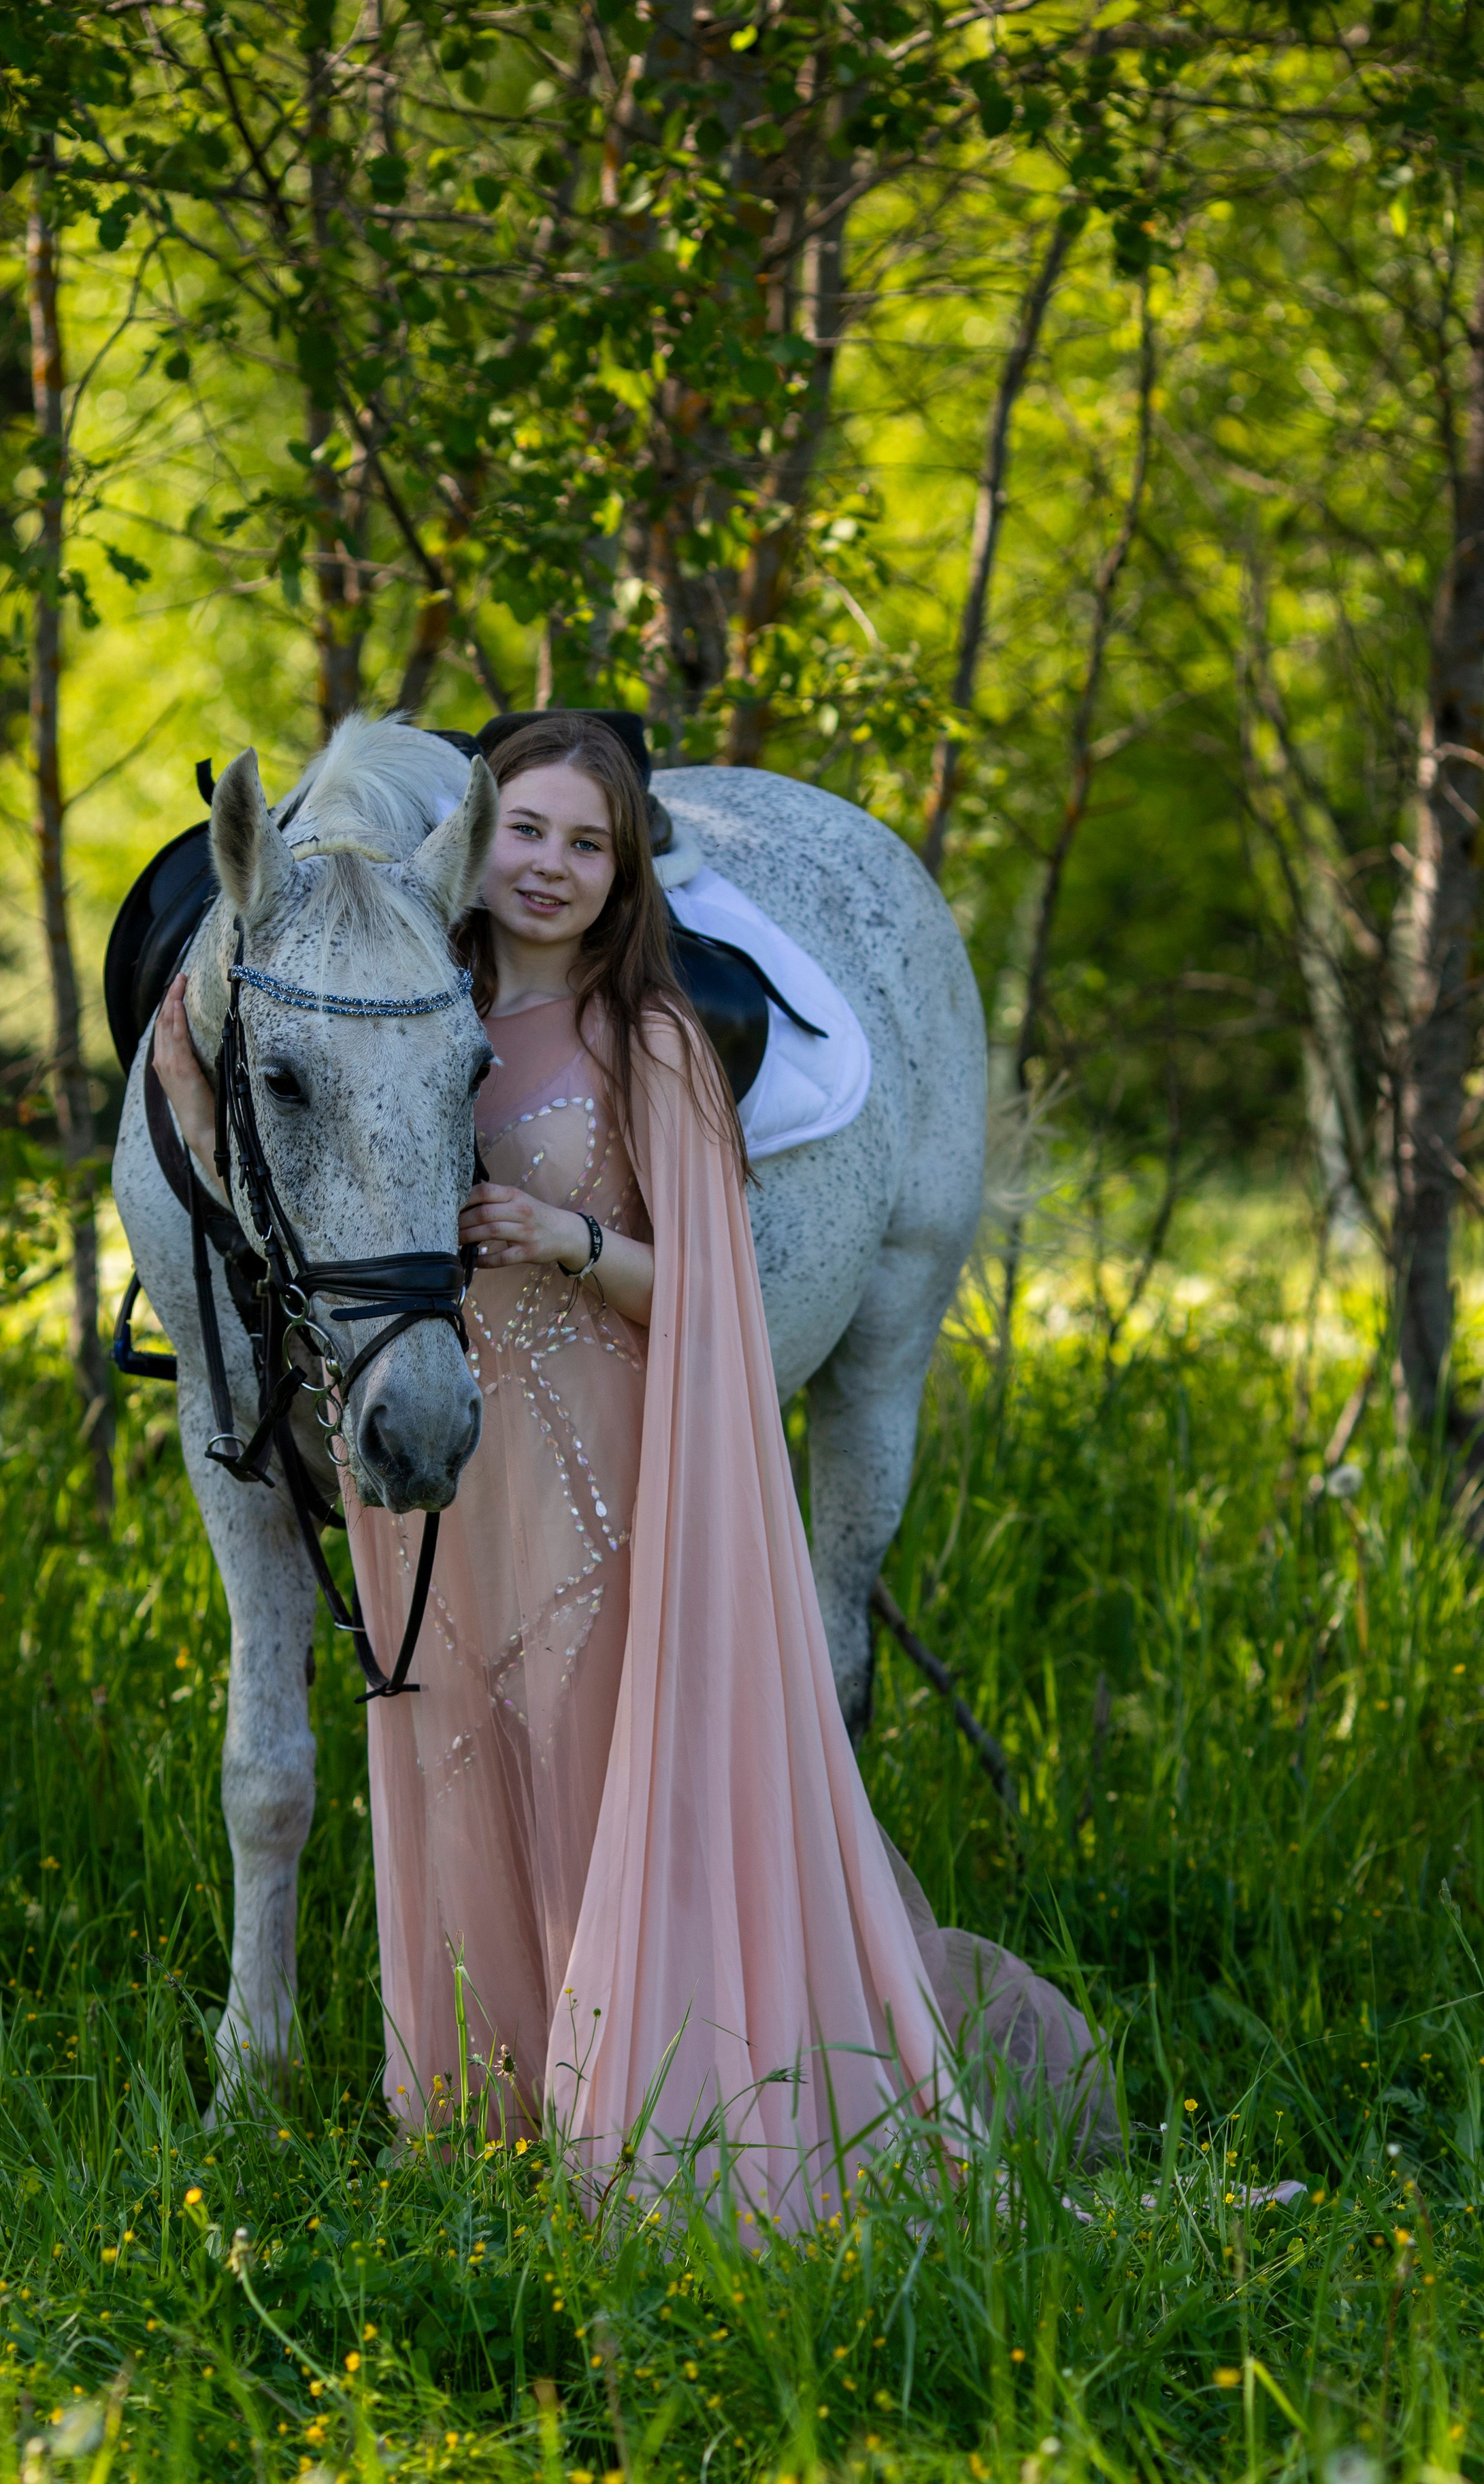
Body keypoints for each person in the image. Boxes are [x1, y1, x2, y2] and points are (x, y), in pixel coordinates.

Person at [156, 713, 1112, 2227]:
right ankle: (484, 2116)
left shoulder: (654, 1037)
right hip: (456, 1471)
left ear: (626, 869)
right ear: (479, 851)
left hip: (593, 1460)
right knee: (463, 1762)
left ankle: (650, 2115)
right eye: (526, 834)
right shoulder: (411, 990)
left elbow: (723, 1291)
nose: (548, 868)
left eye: (587, 843)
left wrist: (571, 1238)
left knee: (600, 1765)